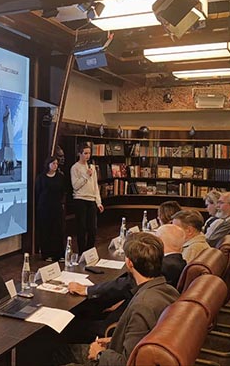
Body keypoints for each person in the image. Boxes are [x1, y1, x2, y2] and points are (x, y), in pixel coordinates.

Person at [59, 233, 179, 366]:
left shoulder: (142, 306)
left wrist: (99, 354)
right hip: (126, 350)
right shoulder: (170, 291)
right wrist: (114, 340)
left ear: (129, 263)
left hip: (112, 359)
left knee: (60, 352)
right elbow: (142, 339)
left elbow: (127, 362)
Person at [70, 144, 104, 253]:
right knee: (82, 227)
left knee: (92, 228)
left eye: (89, 153)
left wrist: (98, 202)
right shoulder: (75, 168)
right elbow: (75, 185)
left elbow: (95, 185)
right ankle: (82, 252)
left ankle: (90, 251)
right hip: (80, 199)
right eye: (85, 153)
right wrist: (86, 175)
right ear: (79, 154)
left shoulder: (92, 167)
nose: (87, 156)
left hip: (91, 200)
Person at [35, 155, 67, 261]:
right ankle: (47, 254)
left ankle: (59, 254)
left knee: (58, 230)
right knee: (46, 230)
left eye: (57, 164)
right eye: (53, 163)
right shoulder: (41, 177)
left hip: (56, 206)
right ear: (48, 164)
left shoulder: (60, 177)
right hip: (44, 207)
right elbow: (38, 192)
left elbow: (63, 190)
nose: (55, 165)